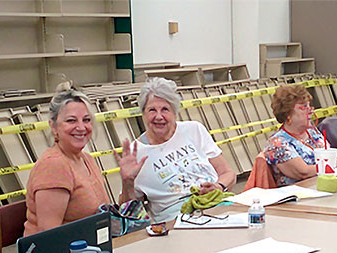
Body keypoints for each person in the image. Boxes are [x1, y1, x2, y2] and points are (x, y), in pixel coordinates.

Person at [115, 77, 236, 223]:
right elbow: (127, 211)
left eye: (165, 109)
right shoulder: (136, 152)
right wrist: (127, 181)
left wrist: (218, 186)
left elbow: (228, 173)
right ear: (143, 114)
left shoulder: (194, 130)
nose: (158, 116)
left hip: (217, 206)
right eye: (152, 110)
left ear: (175, 112)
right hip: (177, 221)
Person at [24, 81, 110, 236]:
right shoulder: (53, 166)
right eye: (71, 120)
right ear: (53, 126)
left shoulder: (87, 159)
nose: (81, 127)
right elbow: (49, 236)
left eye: (86, 120)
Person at [262, 84, 337, 186]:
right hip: (298, 197)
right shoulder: (277, 144)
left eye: (309, 106)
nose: (310, 111)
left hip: (323, 189)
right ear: (288, 114)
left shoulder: (313, 133)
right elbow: (304, 172)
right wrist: (332, 165)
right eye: (304, 107)